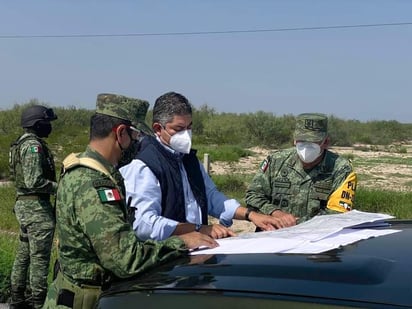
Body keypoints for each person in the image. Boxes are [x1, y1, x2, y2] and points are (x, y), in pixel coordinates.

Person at [43, 93, 217, 309]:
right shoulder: (94, 184)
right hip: (87, 300)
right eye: (136, 137)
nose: (139, 144)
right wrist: (182, 242)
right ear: (121, 133)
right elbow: (125, 260)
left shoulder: (86, 170)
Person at [120, 91, 285, 242]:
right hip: (164, 262)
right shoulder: (143, 165)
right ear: (158, 128)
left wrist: (251, 215)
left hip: (195, 254)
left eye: (189, 127)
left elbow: (211, 196)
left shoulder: (189, 159)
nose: (186, 134)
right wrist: (199, 229)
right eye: (179, 129)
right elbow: (144, 224)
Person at [245, 113, 357, 227]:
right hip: (272, 233)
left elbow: (337, 214)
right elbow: (253, 196)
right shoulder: (275, 161)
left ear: (326, 142)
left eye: (313, 141)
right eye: (302, 140)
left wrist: (296, 223)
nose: (306, 146)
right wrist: (276, 213)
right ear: (294, 140)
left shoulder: (342, 169)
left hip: (318, 237)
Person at [9, 105, 58, 309]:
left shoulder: (21, 143)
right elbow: (34, 181)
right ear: (37, 124)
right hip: (36, 209)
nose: (49, 127)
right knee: (39, 258)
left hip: (25, 206)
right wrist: (61, 188)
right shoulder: (33, 147)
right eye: (46, 123)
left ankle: (17, 298)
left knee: (24, 254)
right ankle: (38, 301)